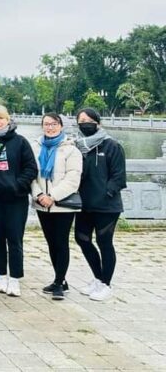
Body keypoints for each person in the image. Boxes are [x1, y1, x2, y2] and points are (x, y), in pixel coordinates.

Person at [0, 105, 38, 297]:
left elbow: (31, 168)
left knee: (14, 238)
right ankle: (2, 274)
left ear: (8, 120)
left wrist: (17, 185)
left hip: (15, 199)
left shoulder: (20, 142)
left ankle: (15, 278)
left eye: (0, 118)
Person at [74, 108, 127, 302]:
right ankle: (98, 278)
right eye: (81, 121)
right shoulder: (77, 146)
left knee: (104, 242)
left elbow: (119, 177)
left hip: (107, 206)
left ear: (98, 123)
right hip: (84, 204)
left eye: (89, 120)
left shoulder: (112, 145)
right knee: (82, 239)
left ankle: (106, 284)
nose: (85, 124)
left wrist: (107, 193)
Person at [31, 113, 83, 300]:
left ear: (61, 126)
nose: (50, 127)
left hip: (62, 204)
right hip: (42, 204)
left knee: (61, 242)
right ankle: (60, 278)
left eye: (53, 124)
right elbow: (30, 174)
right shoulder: (35, 148)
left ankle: (59, 282)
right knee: (51, 242)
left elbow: (73, 179)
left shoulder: (71, 150)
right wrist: (39, 195)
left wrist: (52, 196)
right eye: (46, 124)